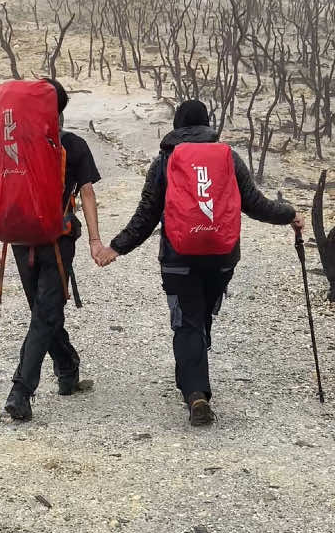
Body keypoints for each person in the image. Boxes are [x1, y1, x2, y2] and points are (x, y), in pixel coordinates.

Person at [95, 100, 304, 426]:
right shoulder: (228, 159)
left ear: (176, 128)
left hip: (178, 258)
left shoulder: (165, 161)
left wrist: (116, 248)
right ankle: (194, 379)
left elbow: (147, 214)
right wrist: (288, 214)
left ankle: (195, 393)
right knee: (201, 315)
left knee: (186, 320)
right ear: (208, 125)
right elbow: (256, 204)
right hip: (221, 257)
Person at [0, 79, 106, 422]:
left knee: (44, 312)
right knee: (45, 313)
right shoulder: (73, 144)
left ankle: (36, 383)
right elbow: (87, 194)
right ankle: (48, 377)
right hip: (57, 240)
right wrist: (96, 241)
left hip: (19, 239)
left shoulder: (14, 144)